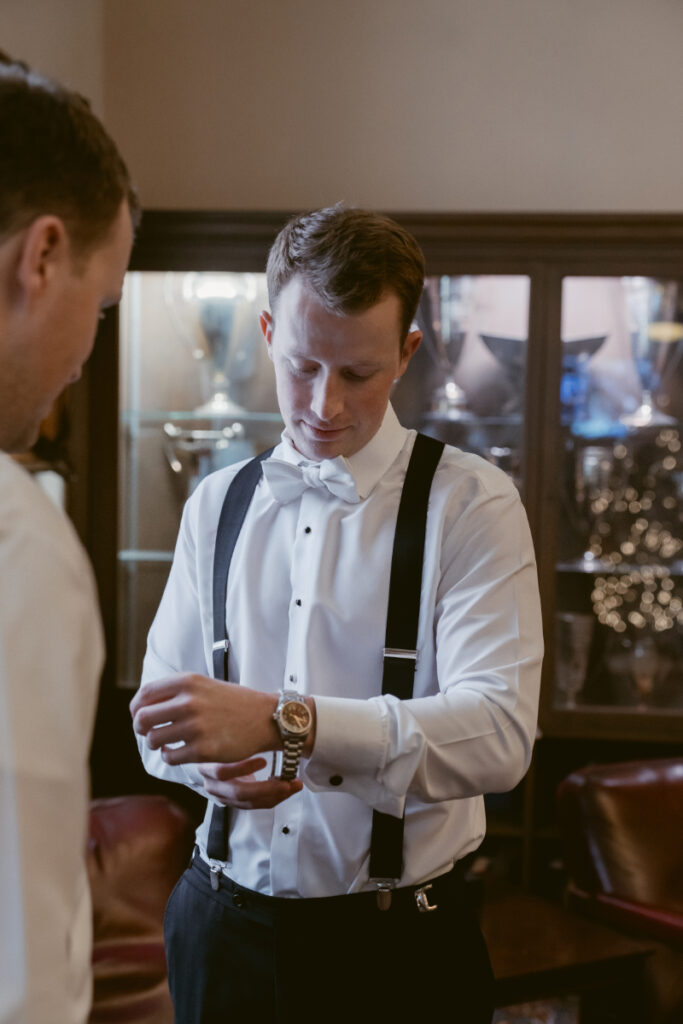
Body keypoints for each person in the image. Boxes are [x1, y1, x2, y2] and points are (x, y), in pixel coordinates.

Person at [131, 205, 544, 1024]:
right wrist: (199, 766)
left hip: (397, 952)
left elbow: (498, 734)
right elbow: (155, 721)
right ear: (264, 331)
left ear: (406, 352)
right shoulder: (216, 502)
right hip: (219, 931)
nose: (323, 404)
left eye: (356, 373)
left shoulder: (471, 503)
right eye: (301, 365)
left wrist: (290, 723)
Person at [0, 54, 137, 1023]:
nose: (87, 357)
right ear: (40, 256)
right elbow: (24, 963)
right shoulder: (18, 542)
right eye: (98, 307)